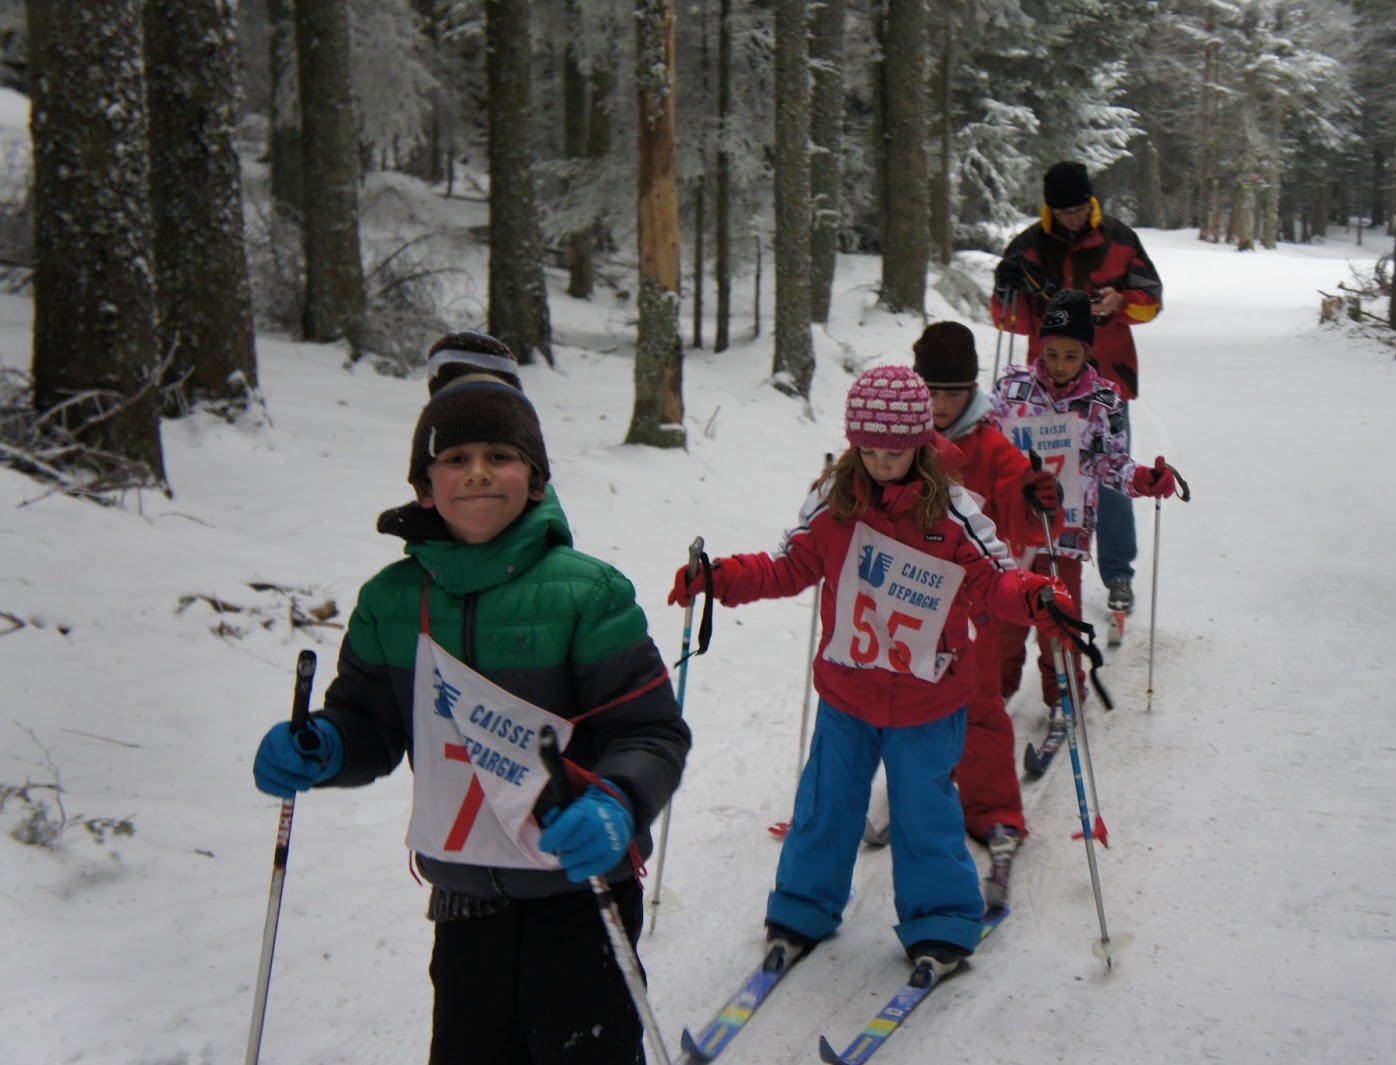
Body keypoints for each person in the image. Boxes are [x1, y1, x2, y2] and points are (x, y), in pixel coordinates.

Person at [251, 331, 691, 1065]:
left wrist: (618, 801)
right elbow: (370, 722)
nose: (478, 473)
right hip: (464, 901)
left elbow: (651, 732)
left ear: (536, 479)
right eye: (455, 458)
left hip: (579, 888)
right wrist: (324, 745)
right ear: (425, 486)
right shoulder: (390, 601)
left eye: (500, 455)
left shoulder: (587, 593)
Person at [667, 365, 1082, 979]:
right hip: (848, 693)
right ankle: (802, 908)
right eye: (868, 450)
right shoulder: (834, 503)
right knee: (825, 805)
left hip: (928, 700)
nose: (881, 463)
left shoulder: (953, 512)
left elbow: (992, 579)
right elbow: (788, 566)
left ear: (919, 444)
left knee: (924, 813)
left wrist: (1035, 597)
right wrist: (723, 578)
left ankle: (940, 920)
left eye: (894, 451)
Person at [910, 322, 1061, 901]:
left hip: (971, 604)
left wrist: (1037, 498)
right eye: (931, 392)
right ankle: (918, 794)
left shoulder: (991, 447)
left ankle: (995, 809)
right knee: (904, 705)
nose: (941, 405)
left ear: (971, 390)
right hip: (905, 599)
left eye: (953, 393)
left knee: (979, 704)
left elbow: (1028, 523)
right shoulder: (897, 442)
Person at [990, 290, 1178, 711]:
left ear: (1087, 352)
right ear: (1039, 347)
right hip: (1012, 529)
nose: (1059, 365)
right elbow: (983, 442)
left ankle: (1064, 695)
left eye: (1071, 356)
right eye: (1051, 353)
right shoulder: (1012, 389)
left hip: (1067, 530)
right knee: (1005, 621)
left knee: (1058, 619)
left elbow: (1111, 463)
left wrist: (1143, 479)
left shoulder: (1103, 401)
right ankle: (993, 697)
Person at [991, 160, 1164, 617]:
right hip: (1045, 390)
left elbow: (1153, 301)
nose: (1072, 218)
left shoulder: (1120, 239)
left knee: (1109, 472)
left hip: (1108, 383)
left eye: (1079, 209)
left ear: (1091, 202)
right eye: (1064, 211)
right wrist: (1004, 289)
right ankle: (1030, 561)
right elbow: (1008, 320)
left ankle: (1118, 572)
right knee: (1037, 479)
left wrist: (1121, 302)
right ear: (1050, 209)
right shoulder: (1029, 246)